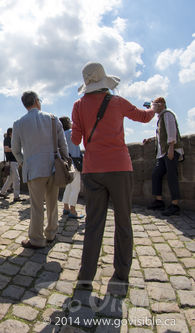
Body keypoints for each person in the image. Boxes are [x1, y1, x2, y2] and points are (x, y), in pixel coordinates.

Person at [71, 62, 155, 289]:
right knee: (123, 222)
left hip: (92, 170)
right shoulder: (117, 102)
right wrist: (154, 108)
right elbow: (144, 117)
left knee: (94, 224)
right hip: (119, 168)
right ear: (103, 80)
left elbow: (76, 140)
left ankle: (86, 277)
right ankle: (121, 275)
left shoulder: (78, 105)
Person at [12, 91, 69, 250]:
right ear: (37, 101)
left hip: (34, 168)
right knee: (52, 203)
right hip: (53, 166)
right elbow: (62, 144)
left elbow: (15, 150)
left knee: (37, 206)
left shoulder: (18, 123)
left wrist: (25, 162)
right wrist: (65, 161)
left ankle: (37, 239)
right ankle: (51, 233)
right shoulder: (52, 118)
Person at [145, 97, 184, 216]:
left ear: (161, 104)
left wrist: (171, 148)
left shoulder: (167, 115)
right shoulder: (161, 117)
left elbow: (172, 132)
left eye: (154, 104)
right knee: (156, 174)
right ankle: (159, 201)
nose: (152, 107)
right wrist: (150, 139)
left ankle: (175, 204)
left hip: (170, 150)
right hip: (163, 154)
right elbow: (161, 135)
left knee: (172, 176)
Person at [59, 117, 85, 219]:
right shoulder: (70, 132)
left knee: (69, 186)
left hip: (66, 163)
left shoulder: (61, 135)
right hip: (74, 162)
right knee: (75, 187)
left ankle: (66, 207)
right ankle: (72, 210)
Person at [0, 128, 24, 203]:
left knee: (10, 179)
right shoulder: (7, 139)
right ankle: (16, 196)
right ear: (11, 132)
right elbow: (6, 149)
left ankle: (2, 193)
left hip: (13, 161)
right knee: (17, 179)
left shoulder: (11, 140)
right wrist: (15, 149)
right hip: (11, 161)